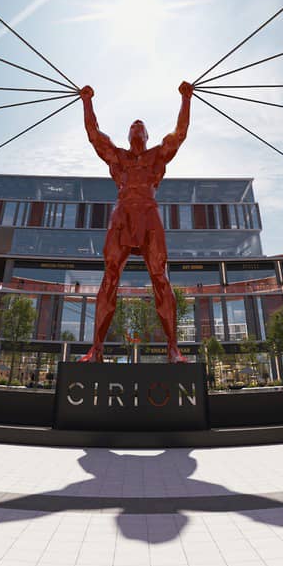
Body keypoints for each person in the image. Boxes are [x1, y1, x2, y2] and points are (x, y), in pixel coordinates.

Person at [77, 82, 194, 361]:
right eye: (132, 124)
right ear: (128, 134)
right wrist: (86, 101)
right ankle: (96, 348)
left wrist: (186, 98)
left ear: (147, 134)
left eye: (140, 124)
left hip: (149, 214)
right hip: (123, 215)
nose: (136, 125)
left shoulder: (157, 155)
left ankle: (173, 347)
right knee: (110, 276)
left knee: (159, 276)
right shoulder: (118, 157)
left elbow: (180, 133)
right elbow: (94, 135)